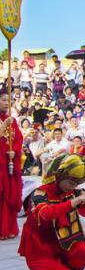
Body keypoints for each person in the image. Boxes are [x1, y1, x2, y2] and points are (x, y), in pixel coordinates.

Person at [19, 154, 85, 270]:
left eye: (77, 183)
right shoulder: (39, 194)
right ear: (59, 176)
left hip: (63, 245)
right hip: (39, 251)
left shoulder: (72, 192)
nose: (74, 186)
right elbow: (46, 213)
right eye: (71, 182)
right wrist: (77, 200)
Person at [0, 87, 23, 240]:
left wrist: (14, 151)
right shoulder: (7, 121)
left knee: (9, 195)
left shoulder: (12, 120)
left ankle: (9, 228)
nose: (6, 103)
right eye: (3, 100)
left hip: (10, 161)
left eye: (8, 100)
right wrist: (3, 126)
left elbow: (18, 139)